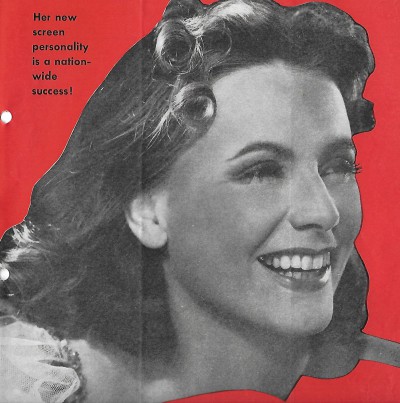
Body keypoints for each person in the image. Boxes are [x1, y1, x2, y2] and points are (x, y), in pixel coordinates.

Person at [1, 0, 400, 401]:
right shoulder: (28, 383)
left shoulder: (384, 378)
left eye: (339, 166)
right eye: (261, 171)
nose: (324, 211)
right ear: (146, 210)